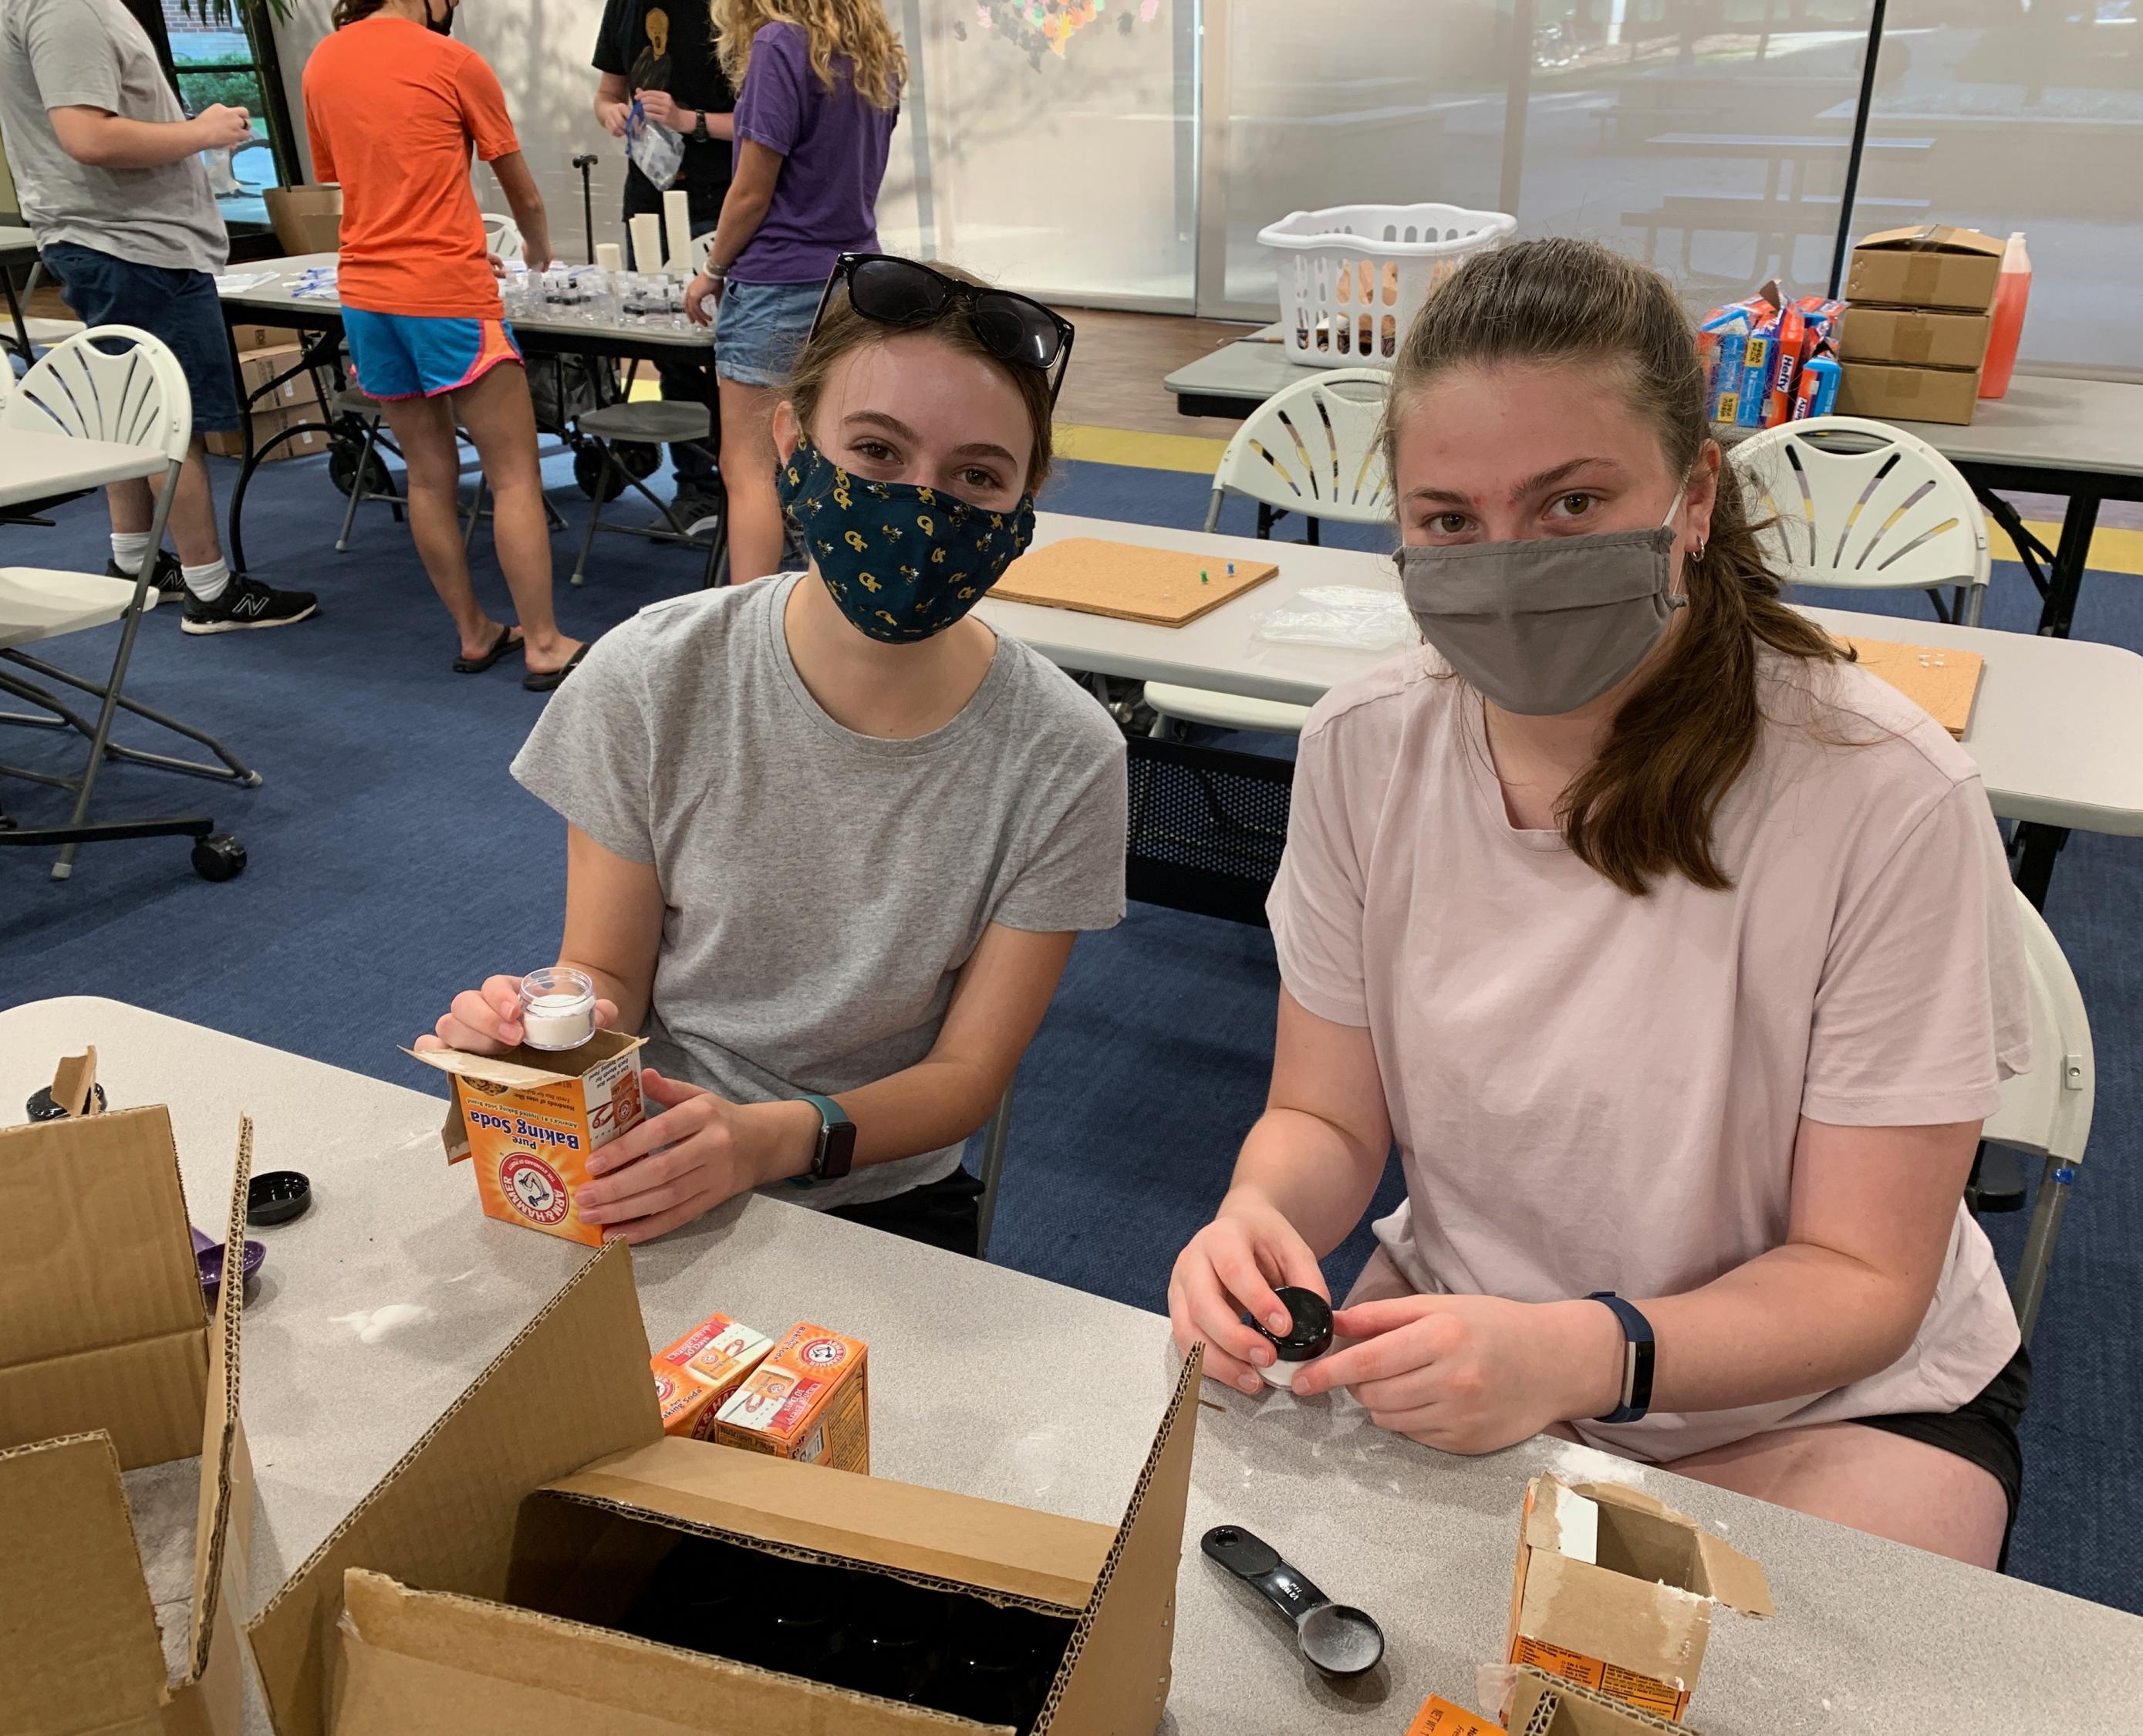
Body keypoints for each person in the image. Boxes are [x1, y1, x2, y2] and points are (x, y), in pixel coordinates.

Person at [1168, 238, 2033, 1571]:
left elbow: (1864, 1278)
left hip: (1815, 1406)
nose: (1507, 565)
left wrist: (1586, 1353)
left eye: (1571, 505)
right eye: (1450, 521)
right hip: (1471, 1342)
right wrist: (1256, 1216)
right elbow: (1325, 1113)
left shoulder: (1884, 795)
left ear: (1693, 498)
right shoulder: (1365, 746)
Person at [418, 257, 1116, 1255]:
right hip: (646, 1142)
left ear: (1022, 502)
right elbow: (611, 965)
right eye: (876, 451)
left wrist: (765, 1141)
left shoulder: (1064, 755)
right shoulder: (656, 674)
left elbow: (965, 1078)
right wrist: (543, 1017)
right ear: (792, 440)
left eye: (976, 476)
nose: (921, 507)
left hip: (870, 1183)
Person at [0, 0, 317, 631]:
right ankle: (210, 588)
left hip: (120, 242)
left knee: (129, 414)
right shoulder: (65, 6)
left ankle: (136, 561)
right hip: (133, 245)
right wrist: (205, 130)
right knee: (171, 424)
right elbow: (88, 137)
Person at [302, 0, 587, 687]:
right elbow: (524, 196)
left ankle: (475, 631)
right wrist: (539, 255)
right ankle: (544, 643)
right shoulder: (450, 60)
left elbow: (365, 180)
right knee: (515, 473)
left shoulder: (322, 61)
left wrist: (452, 247)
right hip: (446, 297)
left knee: (428, 477)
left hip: (368, 296)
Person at [681, 0, 903, 582]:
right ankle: (831, 620)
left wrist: (713, 269)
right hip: (853, 280)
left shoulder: (782, 45)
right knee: (833, 463)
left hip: (778, 281)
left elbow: (752, 190)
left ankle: (752, 631)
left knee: (751, 469)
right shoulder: (875, 54)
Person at [592, 0, 735, 535]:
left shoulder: (734, 12)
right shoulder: (626, 5)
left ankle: (755, 485)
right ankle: (696, 486)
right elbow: (608, 91)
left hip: (723, 198)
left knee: (736, 351)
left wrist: (686, 120)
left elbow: (766, 121)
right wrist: (609, 110)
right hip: (649, 198)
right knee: (668, 343)